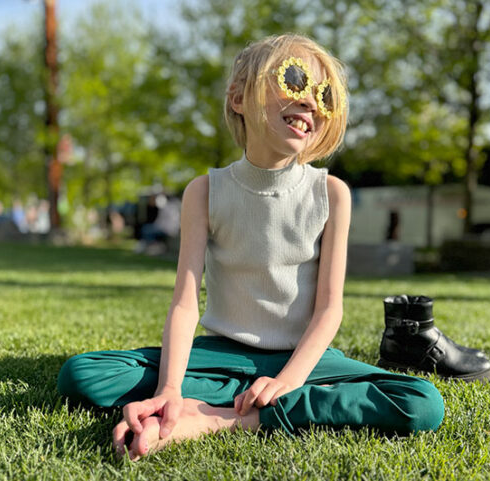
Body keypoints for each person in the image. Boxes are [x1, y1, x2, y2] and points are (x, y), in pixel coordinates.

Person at [57, 34, 444, 461]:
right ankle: (219, 401)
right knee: (83, 374)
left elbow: (329, 310)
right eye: (294, 80)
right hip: (219, 357)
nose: (311, 102)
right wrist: (168, 389)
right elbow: (186, 304)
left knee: (420, 400)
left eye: (324, 94)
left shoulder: (332, 193)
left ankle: (218, 417)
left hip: (303, 360)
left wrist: (291, 379)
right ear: (239, 98)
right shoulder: (204, 192)